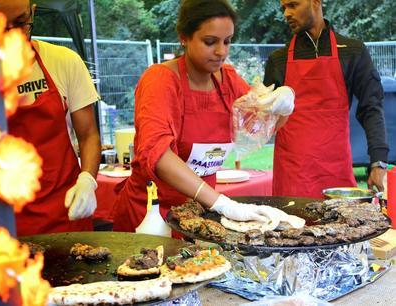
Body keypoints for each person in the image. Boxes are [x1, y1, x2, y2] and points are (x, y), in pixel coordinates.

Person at [112, 0, 295, 233]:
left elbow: (261, 127)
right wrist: (221, 203)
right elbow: (157, 154)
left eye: (227, 41)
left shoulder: (227, 79)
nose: (221, 51)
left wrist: (283, 107)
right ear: (184, 37)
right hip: (150, 216)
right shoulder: (160, 81)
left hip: (199, 214)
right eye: (210, 42)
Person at [0, 0, 101, 236]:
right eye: (2, 27)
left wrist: (87, 180)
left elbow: (88, 135)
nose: (14, 36)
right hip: (2, 221)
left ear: (32, 13)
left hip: (65, 213)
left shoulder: (64, 62)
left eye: (22, 23)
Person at [264, 0, 389, 198]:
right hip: (292, 174)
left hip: (336, 169)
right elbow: (264, 125)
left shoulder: (351, 51)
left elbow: (371, 108)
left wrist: (378, 161)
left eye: (293, 5)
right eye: (283, 8)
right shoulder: (277, 60)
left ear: (316, 2)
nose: (286, 13)